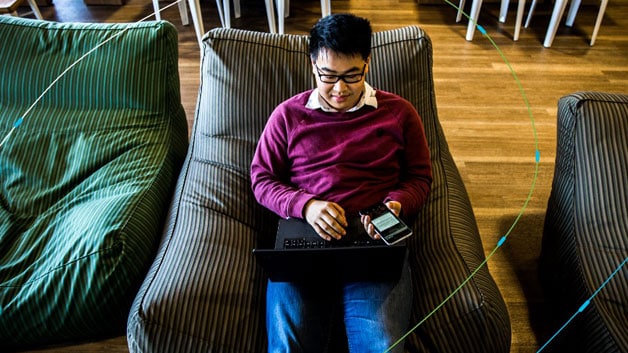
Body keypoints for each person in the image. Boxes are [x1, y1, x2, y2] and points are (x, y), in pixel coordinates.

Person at [250, 13, 432, 353]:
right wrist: (305, 205)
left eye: (352, 76)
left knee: (382, 345)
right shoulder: (288, 115)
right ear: (312, 65)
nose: (339, 89)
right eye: (328, 76)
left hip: (373, 238)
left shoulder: (399, 113)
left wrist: (395, 205)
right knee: (288, 347)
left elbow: (420, 177)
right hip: (305, 235)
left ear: (367, 63)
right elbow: (261, 178)